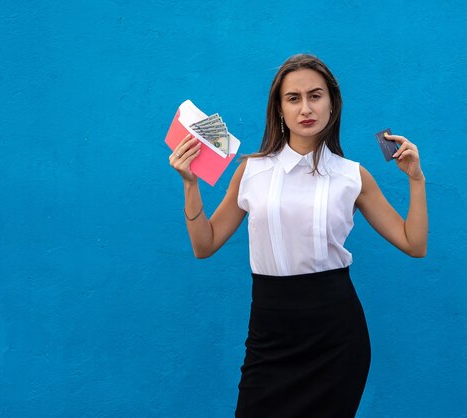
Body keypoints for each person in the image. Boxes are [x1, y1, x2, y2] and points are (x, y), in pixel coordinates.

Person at [167, 53, 428, 417]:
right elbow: (204, 245)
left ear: (332, 104)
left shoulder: (353, 176)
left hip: (335, 337)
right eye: (293, 98)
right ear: (279, 108)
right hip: (269, 334)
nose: (306, 107)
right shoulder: (251, 171)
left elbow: (414, 244)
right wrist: (190, 183)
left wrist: (416, 180)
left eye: (316, 95)